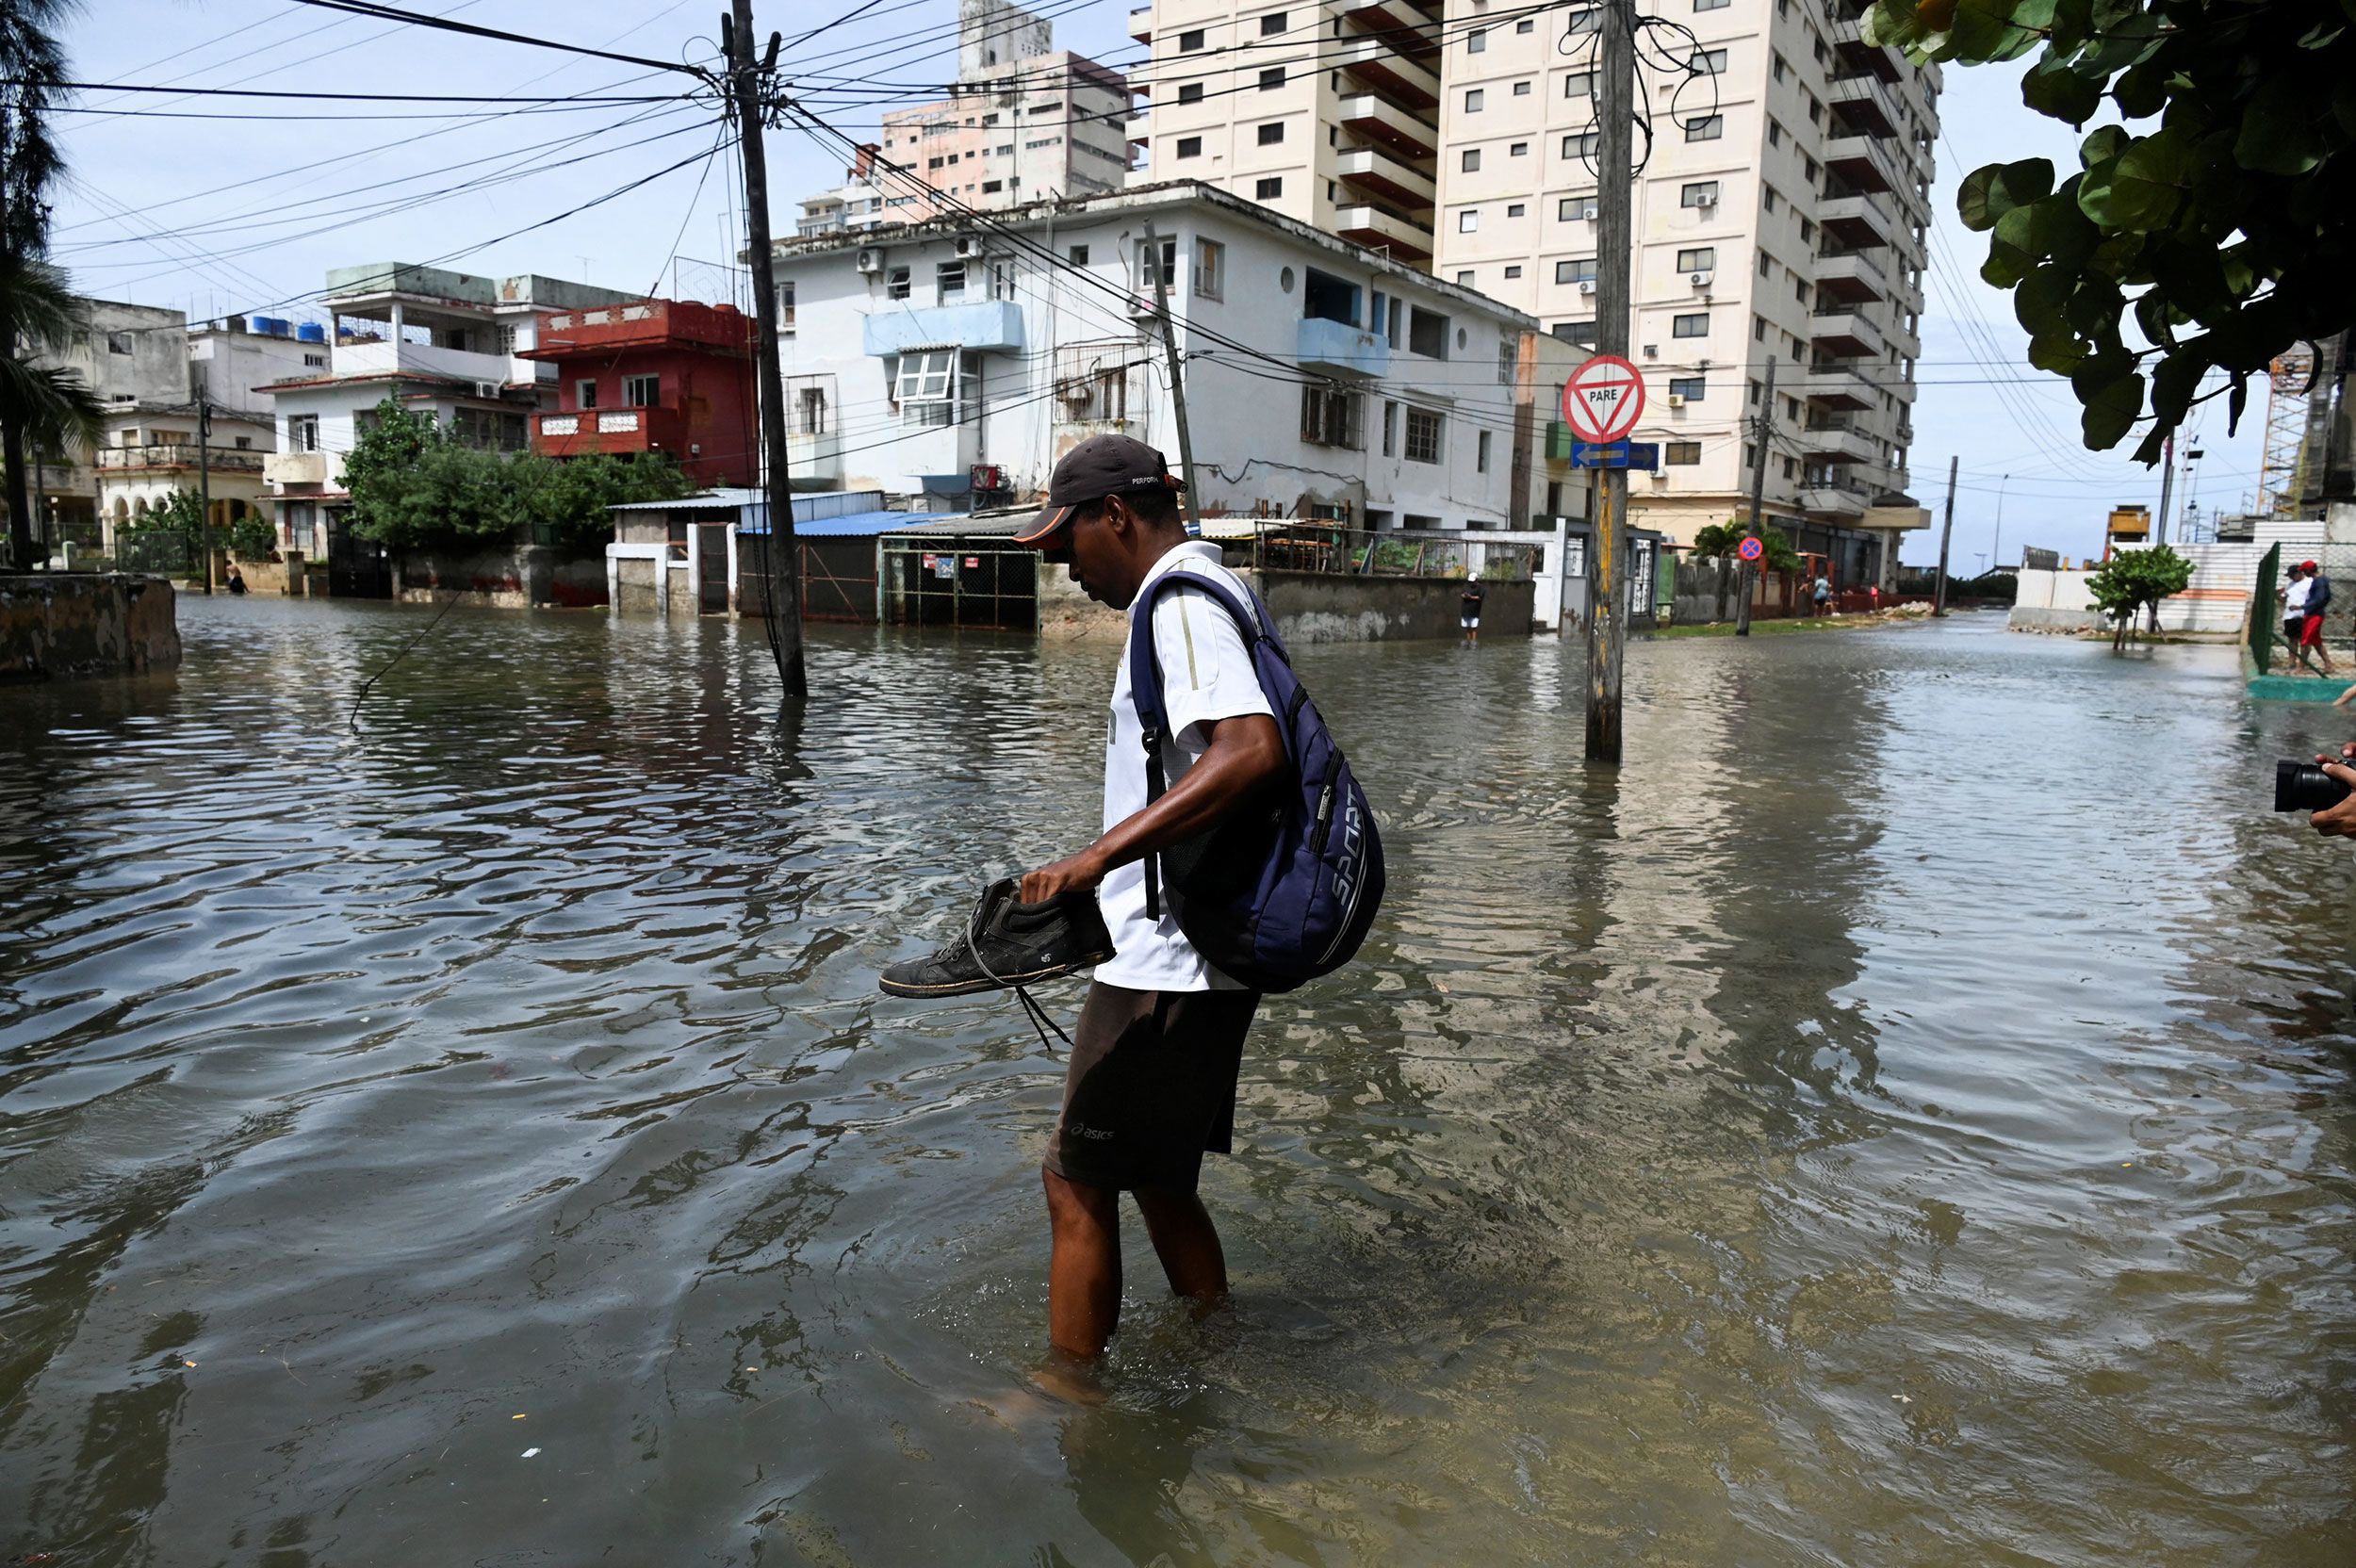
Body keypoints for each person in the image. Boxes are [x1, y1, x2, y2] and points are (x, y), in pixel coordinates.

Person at [1008, 434, 1289, 1389]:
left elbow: (1250, 749)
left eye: (1066, 542)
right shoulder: (1218, 589)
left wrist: (1094, 856)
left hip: (1167, 965)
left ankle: (1067, 1393)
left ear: (1116, 516)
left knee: (1073, 1176)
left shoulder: (1174, 601)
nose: (1065, 566)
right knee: (1159, 1177)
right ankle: (1221, 1346)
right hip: (1197, 955)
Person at [2299, 560, 2338, 677]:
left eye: (2304, 571)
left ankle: (2301, 666)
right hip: (2314, 613)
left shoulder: (2319, 581)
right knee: (2316, 641)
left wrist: (2303, 606)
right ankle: (2328, 664)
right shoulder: (2321, 579)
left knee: (2305, 640)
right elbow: (2327, 597)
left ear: (2309, 570)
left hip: (2314, 615)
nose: (2304, 574)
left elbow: (2319, 598)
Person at [2282, 563, 2311, 671]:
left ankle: (2302, 663)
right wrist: (2278, 595)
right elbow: (2283, 598)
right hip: (2289, 616)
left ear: (2299, 573)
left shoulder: (2309, 582)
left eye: (2291, 575)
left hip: (2303, 615)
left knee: (2304, 641)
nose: (2290, 577)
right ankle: (2292, 662)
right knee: (2292, 640)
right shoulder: (2290, 584)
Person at [1459, 573, 1484, 644]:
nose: (1471, 583)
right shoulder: (1466, 586)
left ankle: (1473, 642)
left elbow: (1479, 597)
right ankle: (1468, 640)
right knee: (1467, 627)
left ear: (1476, 580)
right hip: (1466, 610)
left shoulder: (1481, 588)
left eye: (1473, 581)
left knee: (1474, 628)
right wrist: (1465, 596)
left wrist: (1470, 597)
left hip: (1475, 611)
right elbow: (1462, 594)